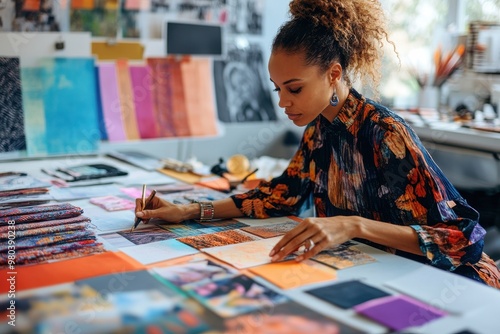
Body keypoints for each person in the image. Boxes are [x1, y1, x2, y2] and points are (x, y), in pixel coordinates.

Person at [136, 0, 500, 288]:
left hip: (454, 284)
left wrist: (353, 225)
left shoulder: (384, 133)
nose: (283, 102)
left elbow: (464, 239)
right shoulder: (319, 130)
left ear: (334, 74)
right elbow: (280, 196)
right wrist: (188, 212)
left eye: (294, 89)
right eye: (278, 90)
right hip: (381, 274)